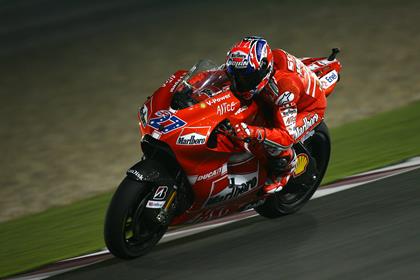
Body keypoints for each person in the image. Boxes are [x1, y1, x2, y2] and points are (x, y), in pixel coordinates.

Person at [225, 36, 327, 194]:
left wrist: (251, 132)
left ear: (263, 69)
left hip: (307, 108)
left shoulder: (285, 88)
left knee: (274, 143)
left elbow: (286, 136)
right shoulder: (253, 64)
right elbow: (217, 73)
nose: (240, 82)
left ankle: (285, 170)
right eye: (236, 75)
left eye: (247, 77)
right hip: (279, 95)